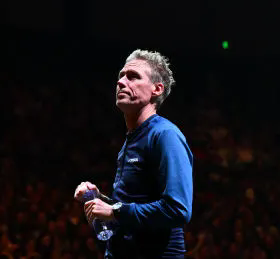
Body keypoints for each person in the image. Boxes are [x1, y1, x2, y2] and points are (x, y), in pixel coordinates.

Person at [74, 50, 193, 259]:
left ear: (156, 89)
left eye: (133, 76)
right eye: (121, 76)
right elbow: (132, 207)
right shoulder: (132, 140)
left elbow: (178, 209)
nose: (121, 82)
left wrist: (115, 211)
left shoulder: (165, 135)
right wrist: (99, 200)